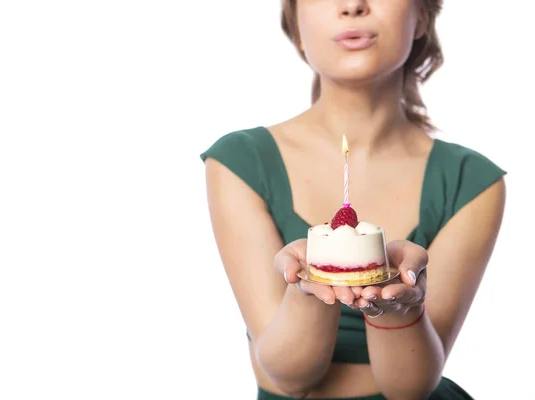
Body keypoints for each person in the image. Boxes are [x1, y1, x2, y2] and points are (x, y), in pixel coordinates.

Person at [200, 1, 506, 399]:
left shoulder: (470, 181)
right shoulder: (239, 162)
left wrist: (401, 307)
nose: (352, 5)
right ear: (296, 29)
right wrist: (309, 285)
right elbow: (288, 378)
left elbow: (408, 389)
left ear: (422, 18)